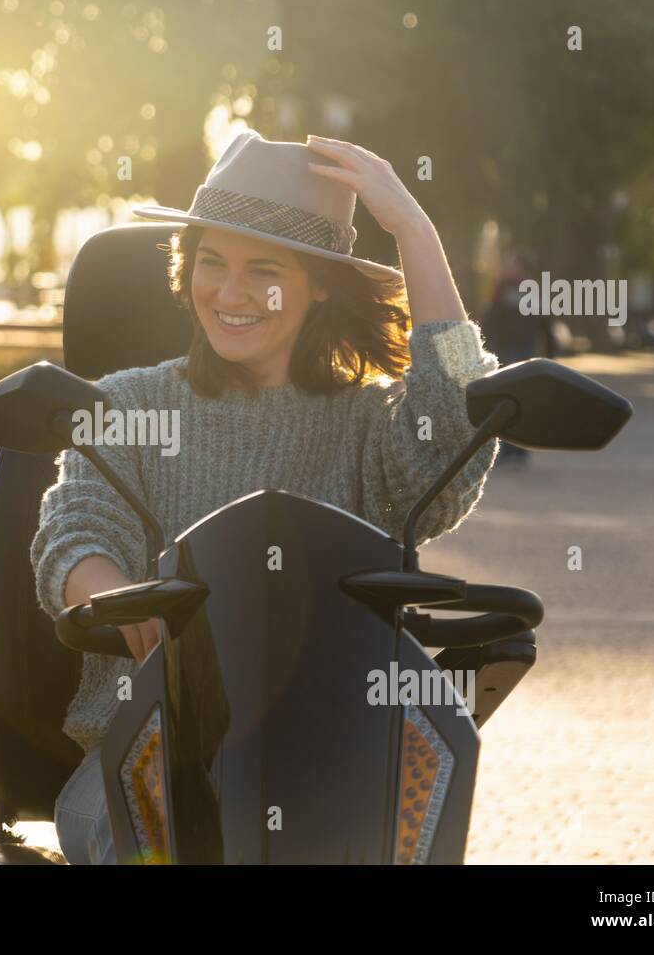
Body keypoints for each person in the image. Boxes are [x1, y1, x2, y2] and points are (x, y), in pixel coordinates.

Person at [30, 130, 502, 864]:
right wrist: (121, 598)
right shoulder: (124, 405)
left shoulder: (369, 424)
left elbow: (451, 444)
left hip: (333, 758)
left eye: (263, 270)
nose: (230, 292)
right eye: (211, 263)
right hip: (149, 757)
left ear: (319, 283)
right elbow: (74, 533)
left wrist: (415, 229)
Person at [480, 249, 540, 468]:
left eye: (515, 265)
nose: (511, 269)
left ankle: (521, 450)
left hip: (524, 348)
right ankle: (504, 449)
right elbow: (491, 316)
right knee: (504, 398)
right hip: (504, 349)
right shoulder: (501, 287)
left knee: (524, 399)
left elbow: (543, 319)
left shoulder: (532, 289)